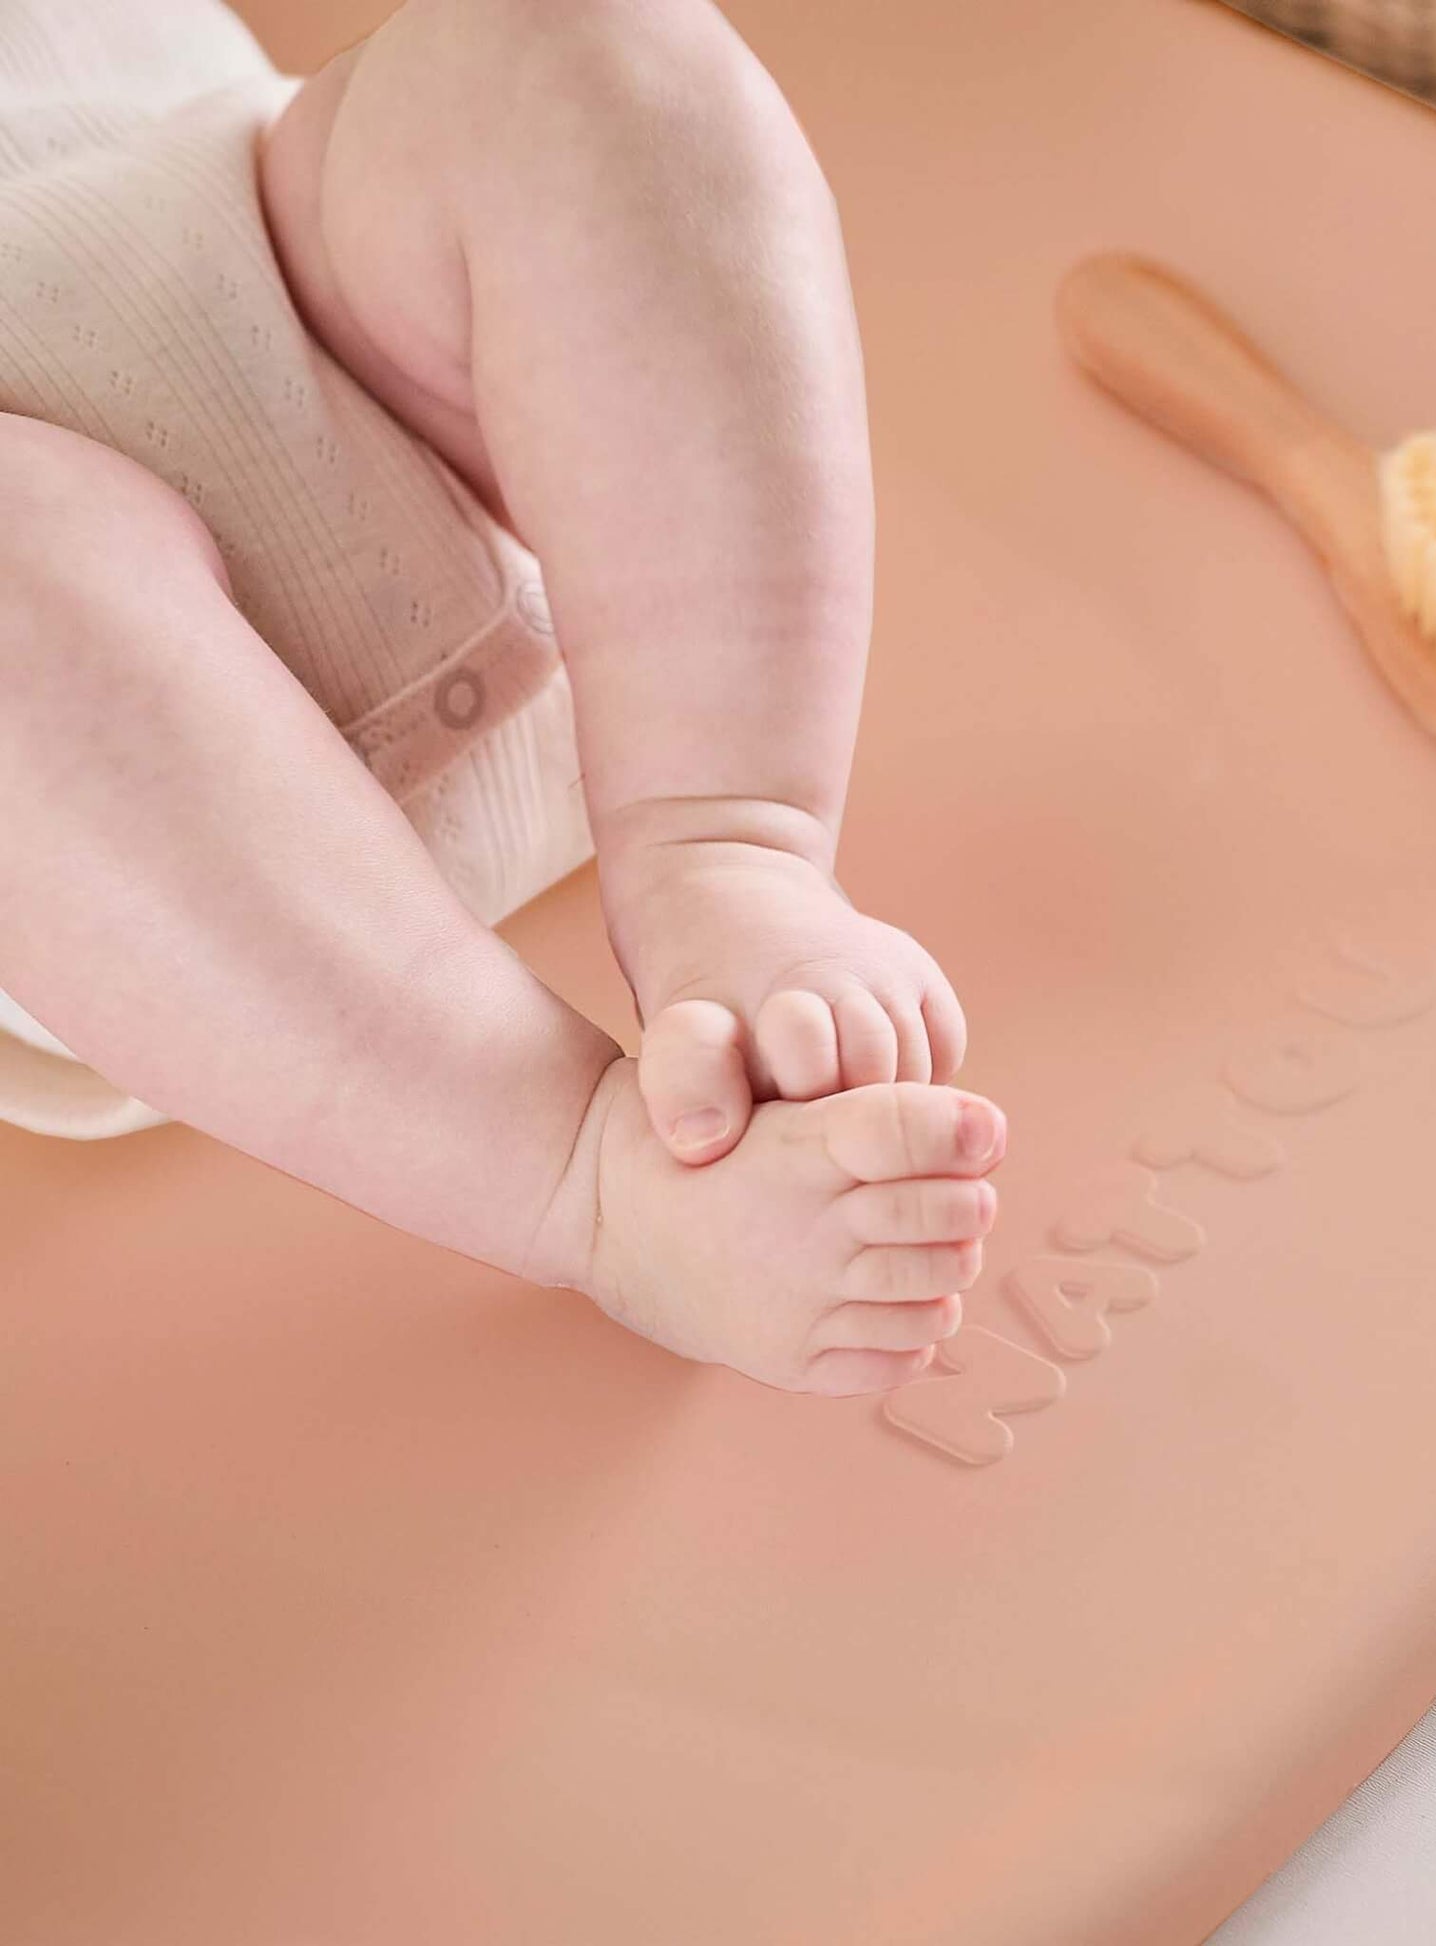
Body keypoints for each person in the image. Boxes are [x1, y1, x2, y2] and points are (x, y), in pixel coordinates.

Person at [0, 0, 1003, 1394]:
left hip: (278, 277)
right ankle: (591, 1180)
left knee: (574, 48)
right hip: (148, 882)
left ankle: (729, 843)